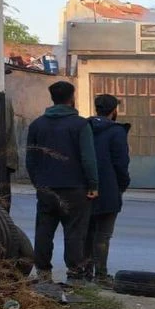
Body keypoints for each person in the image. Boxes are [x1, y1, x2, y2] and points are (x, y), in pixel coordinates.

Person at [26, 81, 98, 284]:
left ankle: (43, 273)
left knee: (44, 230)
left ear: (52, 98)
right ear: (72, 98)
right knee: (75, 231)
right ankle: (74, 272)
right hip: (75, 188)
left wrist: (38, 183)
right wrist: (93, 184)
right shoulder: (80, 125)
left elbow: (30, 160)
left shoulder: (37, 125)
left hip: (46, 187)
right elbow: (88, 158)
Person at [84, 94, 130, 286]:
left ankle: (85, 273)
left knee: (86, 232)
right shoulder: (116, 132)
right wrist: (122, 185)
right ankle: (101, 275)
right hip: (108, 189)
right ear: (114, 111)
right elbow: (121, 163)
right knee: (103, 235)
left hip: (84, 188)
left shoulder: (83, 127)